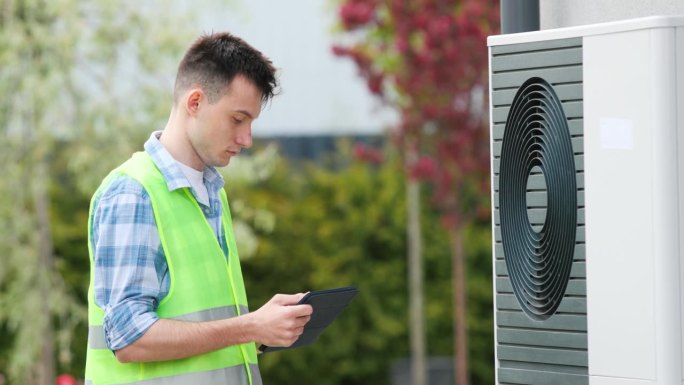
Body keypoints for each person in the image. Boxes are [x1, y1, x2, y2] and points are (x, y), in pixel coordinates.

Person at [85, 32, 313, 385]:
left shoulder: (213, 193)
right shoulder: (132, 193)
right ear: (195, 102)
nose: (247, 139)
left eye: (251, 123)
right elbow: (128, 339)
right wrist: (249, 325)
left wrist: (263, 330)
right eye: (238, 120)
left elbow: (208, 331)